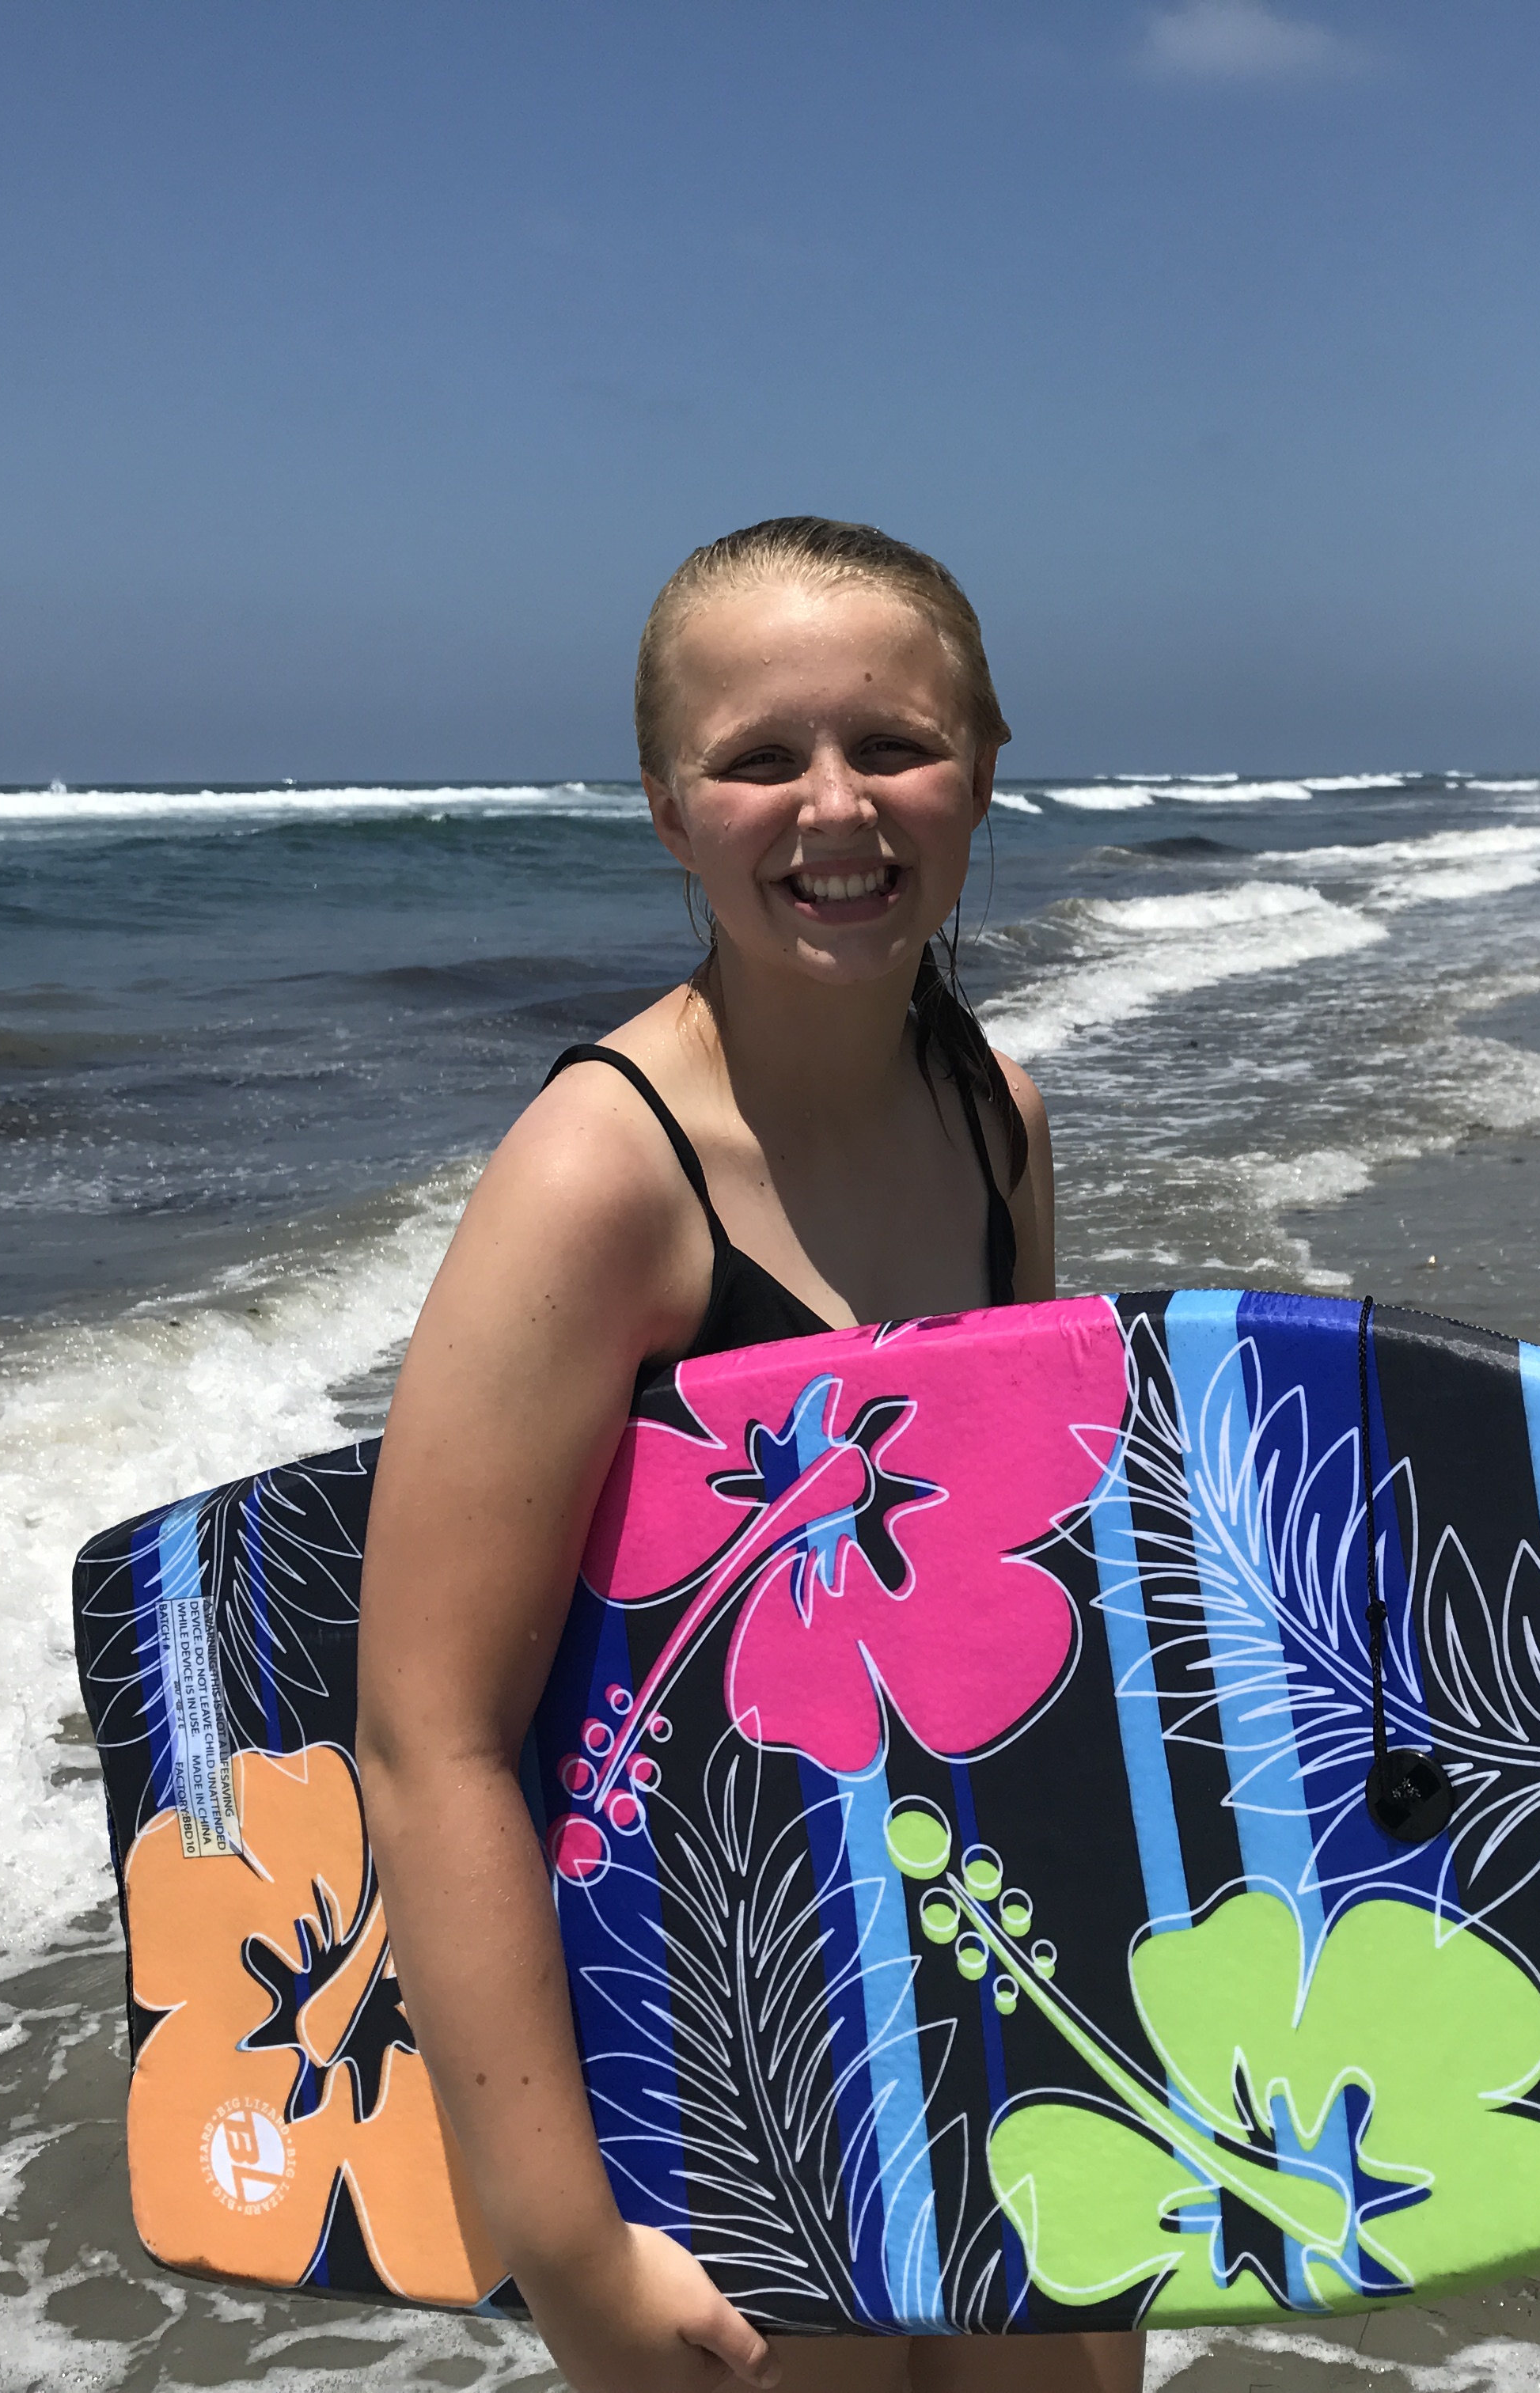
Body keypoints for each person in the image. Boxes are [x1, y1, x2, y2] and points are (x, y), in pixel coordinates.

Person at [356, 521, 1141, 2393]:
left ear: (983, 771)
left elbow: (1004, 1600)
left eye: (895, 744)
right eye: (759, 758)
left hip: (978, 1994)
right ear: (666, 810)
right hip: (727, 2052)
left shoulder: (995, 1122)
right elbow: (427, 1736)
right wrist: (569, 2253)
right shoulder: (601, 1175)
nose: (836, 806)